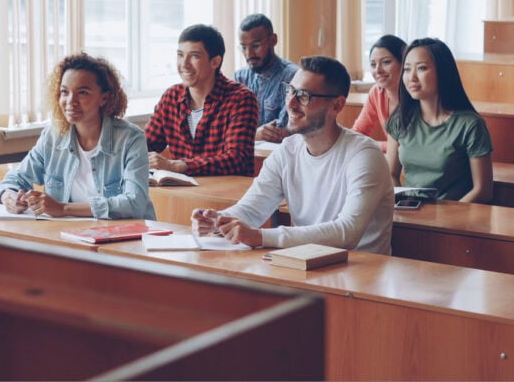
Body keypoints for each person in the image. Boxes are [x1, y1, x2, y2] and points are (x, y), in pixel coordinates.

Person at [191, 56, 393, 253]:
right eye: (290, 91)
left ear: (336, 105)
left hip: (362, 274)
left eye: (304, 96)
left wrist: (261, 237)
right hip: (308, 265)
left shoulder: (364, 155)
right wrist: (218, 220)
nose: (291, 103)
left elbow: (347, 232)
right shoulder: (287, 150)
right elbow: (252, 209)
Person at [0, 52, 156, 219]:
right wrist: (7, 197)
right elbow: (16, 179)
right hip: (69, 235)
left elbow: (134, 203)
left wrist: (64, 208)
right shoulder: (53, 136)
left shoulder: (131, 138)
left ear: (104, 98)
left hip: (123, 236)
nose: (70, 101)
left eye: (82, 92)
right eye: (64, 92)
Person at [386, 38, 493, 202]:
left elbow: (482, 190)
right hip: (410, 214)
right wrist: (403, 205)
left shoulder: (470, 125)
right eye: (407, 70)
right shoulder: (401, 119)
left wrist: (446, 221)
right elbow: (391, 174)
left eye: (421, 68)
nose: (412, 77)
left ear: (442, 72)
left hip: (454, 219)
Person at [144, 24, 258, 176]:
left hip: (225, 195)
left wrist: (178, 166)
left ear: (215, 62)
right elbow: (144, 145)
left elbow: (236, 159)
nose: (184, 64)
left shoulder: (241, 99)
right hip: (183, 193)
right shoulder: (171, 97)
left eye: (194, 56)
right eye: (180, 55)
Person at [234, 14, 299, 142]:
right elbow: (231, 128)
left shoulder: (293, 76)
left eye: (256, 46)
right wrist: (256, 134)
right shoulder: (240, 77)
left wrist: (245, 135)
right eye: (243, 47)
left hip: (279, 155)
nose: (249, 54)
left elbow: (283, 131)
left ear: (273, 40)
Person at [352, 34, 407, 151]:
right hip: (393, 159)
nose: (378, 70)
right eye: (373, 64)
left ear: (404, 63)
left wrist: (376, 145)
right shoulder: (377, 92)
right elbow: (357, 133)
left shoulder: (417, 94)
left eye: (386, 62)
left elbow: (411, 146)